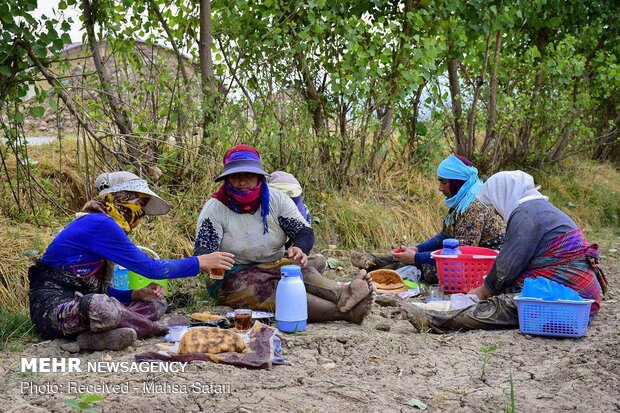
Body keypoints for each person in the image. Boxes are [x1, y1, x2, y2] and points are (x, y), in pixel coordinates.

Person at [28, 171, 234, 351]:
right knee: (99, 307)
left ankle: (95, 338)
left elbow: (96, 288)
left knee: (155, 302)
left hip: (87, 304)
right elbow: (151, 269)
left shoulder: (102, 223)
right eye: (139, 204)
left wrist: (135, 294)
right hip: (55, 311)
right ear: (120, 198)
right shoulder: (99, 223)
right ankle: (157, 327)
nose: (141, 213)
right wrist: (199, 262)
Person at [400, 170, 606, 332]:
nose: (496, 211)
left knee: (498, 306)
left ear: (503, 196)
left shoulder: (526, 215)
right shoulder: (538, 209)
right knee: (499, 296)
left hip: (569, 297)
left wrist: (482, 290)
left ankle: (433, 319)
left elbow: (508, 265)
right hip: (575, 290)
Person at [194, 144, 375, 324]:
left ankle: (343, 294)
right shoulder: (215, 209)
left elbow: (303, 230)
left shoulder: (276, 200)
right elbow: (203, 250)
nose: (242, 182)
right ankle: (345, 313)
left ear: (259, 177)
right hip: (233, 274)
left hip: (273, 263)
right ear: (227, 179)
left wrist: (299, 247)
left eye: (248, 176)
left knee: (302, 271)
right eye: (235, 177)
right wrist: (209, 260)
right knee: (275, 290)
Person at [351, 155, 505, 283]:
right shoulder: (462, 200)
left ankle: (375, 270)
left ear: (458, 183)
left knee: (428, 267)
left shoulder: (474, 207)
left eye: (444, 183)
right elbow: (444, 236)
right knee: (417, 257)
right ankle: (373, 261)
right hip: (465, 258)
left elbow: (460, 255)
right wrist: (417, 249)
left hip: (482, 266)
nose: (440, 188)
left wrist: (416, 257)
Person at [268, 170, 327, 274]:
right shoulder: (266, 210)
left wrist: (298, 248)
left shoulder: (302, 211)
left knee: (319, 261)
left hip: (289, 259)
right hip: (265, 261)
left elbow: (305, 234)